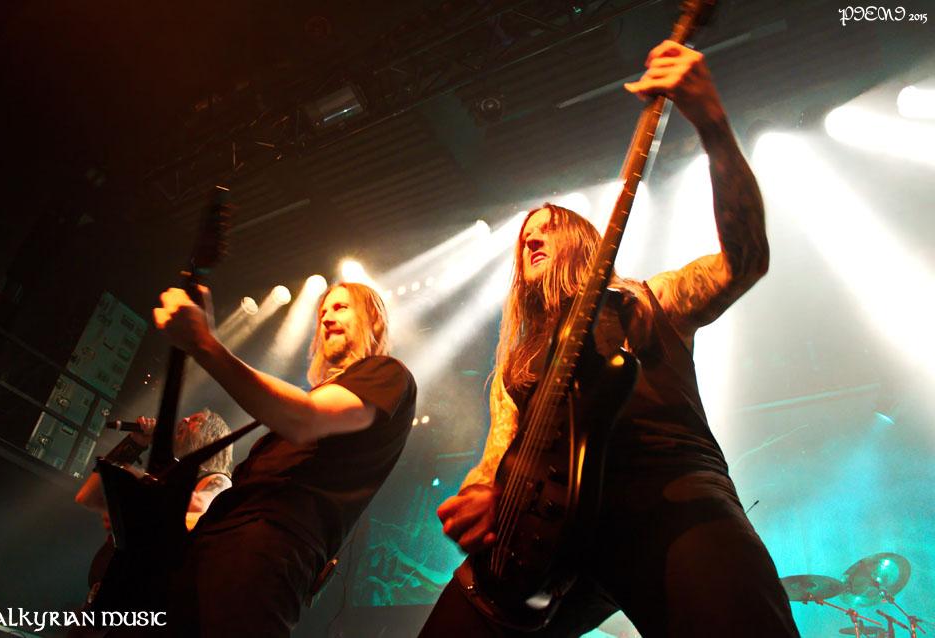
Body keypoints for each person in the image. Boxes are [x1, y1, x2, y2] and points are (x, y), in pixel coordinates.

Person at [420, 41, 800, 637]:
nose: (530, 240)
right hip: (549, 532)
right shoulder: (518, 361)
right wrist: (478, 496)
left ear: (580, 242)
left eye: (547, 230)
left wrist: (711, 123)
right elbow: (496, 455)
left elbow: (744, 261)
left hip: (669, 498)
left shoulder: (647, 301)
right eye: (524, 238)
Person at [153, 281, 416, 637]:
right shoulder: (317, 395)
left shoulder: (388, 374)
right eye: (322, 312)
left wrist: (204, 343)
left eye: (341, 307)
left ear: (376, 319)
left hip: (266, 546)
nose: (326, 318)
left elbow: (303, 418)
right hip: (219, 539)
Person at [74, 410, 234, 596]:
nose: (184, 419)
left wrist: (138, 480)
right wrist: (134, 444)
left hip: (138, 598)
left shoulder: (219, 480)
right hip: (104, 591)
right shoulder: (166, 478)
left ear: (212, 436)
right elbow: (88, 497)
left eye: (196, 420)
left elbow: (199, 507)